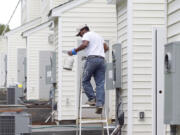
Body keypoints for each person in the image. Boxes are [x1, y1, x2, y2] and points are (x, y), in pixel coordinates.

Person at [68, 25, 109, 114]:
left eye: (80, 34)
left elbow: (85, 44)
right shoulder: (99, 36)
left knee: (85, 80)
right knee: (100, 83)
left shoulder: (87, 34)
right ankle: (99, 104)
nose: (81, 36)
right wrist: (99, 53)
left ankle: (92, 98)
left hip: (92, 59)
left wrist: (74, 51)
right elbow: (106, 48)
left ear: (83, 30)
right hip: (101, 60)